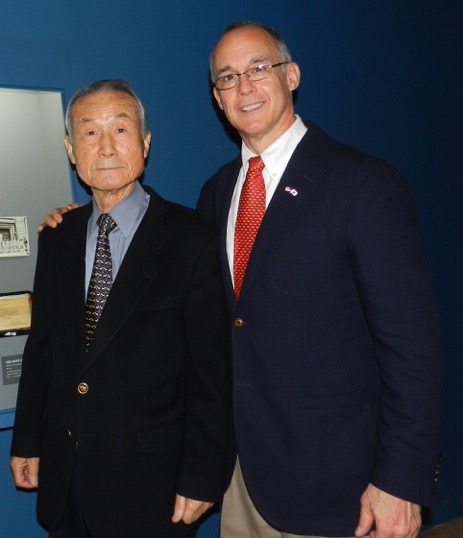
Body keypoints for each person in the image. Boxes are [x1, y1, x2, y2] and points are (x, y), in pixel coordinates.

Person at [40, 22, 443, 538]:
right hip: (243, 479)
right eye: (227, 77)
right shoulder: (217, 193)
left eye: (259, 68)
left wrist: (402, 480)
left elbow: (413, 347)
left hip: (342, 484)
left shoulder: (364, 184)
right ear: (216, 97)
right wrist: (80, 224)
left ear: (292, 75)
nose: (244, 87)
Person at [10, 79, 230, 538]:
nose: (106, 147)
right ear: (71, 149)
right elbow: (43, 348)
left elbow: (211, 376)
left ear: (145, 143)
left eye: (121, 129)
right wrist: (27, 439)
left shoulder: (192, 241)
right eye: (90, 132)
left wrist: (203, 475)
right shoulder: (58, 237)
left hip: (151, 487)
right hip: (65, 478)